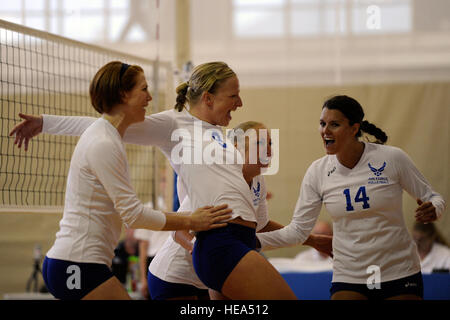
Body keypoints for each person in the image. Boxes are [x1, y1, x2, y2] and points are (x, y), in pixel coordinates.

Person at [10, 61, 329, 299]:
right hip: (209, 248)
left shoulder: (222, 138)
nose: (240, 103)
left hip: (233, 242)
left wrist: (307, 237)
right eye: (234, 95)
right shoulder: (173, 125)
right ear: (207, 98)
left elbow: (252, 219)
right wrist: (46, 123)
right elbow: (103, 125)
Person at [12, 61, 233, 300]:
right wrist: (191, 219)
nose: (149, 97)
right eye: (143, 89)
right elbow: (134, 215)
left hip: (76, 263)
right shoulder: (104, 142)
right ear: (123, 94)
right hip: (75, 264)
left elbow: (93, 122)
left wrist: (45, 123)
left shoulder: (107, 135)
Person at [256, 95, 446, 300]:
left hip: (398, 270)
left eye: (334, 124)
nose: (325, 131)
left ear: (354, 128)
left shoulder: (392, 158)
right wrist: (246, 242)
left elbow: (434, 197)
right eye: (322, 124)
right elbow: (297, 232)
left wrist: (434, 209)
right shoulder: (317, 172)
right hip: (350, 274)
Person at [148, 121, 288, 300]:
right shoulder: (216, 177)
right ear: (237, 147)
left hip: (209, 277)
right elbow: (178, 229)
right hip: (174, 277)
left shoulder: (258, 180)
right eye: (260, 143)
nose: (269, 150)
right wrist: (200, 250)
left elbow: (262, 225)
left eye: (270, 143)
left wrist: (305, 237)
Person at [269, 220, 333, 273]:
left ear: (332, 236)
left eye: (325, 234)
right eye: (318, 234)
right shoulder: (302, 258)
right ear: (312, 236)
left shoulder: (341, 258)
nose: (321, 238)